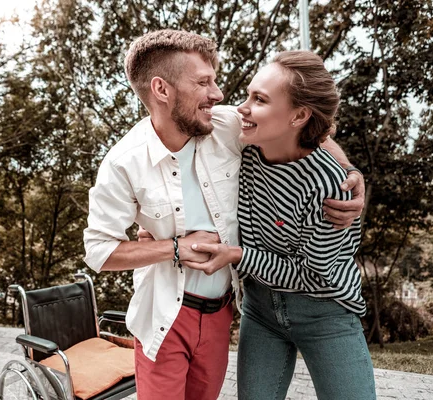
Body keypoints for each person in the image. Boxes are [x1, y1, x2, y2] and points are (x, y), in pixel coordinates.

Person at [83, 30, 363, 400]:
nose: (218, 94)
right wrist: (174, 248)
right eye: (203, 81)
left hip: (222, 313)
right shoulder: (124, 163)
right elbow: (99, 251)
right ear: (161, 90)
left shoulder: (227, 125)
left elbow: (304, 128)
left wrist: (350, 174)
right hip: (165, 315)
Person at [187, 51, 376, 399]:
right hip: (260, 311)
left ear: (299, 115)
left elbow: (312, 274)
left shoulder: (329, 188)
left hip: (325, 312)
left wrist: (238, 255)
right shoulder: (247, 146)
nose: (242, 107)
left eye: (258, 99)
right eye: (248, 95)